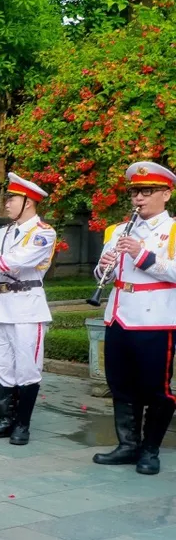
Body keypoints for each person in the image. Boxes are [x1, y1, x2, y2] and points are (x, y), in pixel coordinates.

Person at [92, 162, 176, 475]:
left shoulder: (174, 230)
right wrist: (104, 267)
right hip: (119, 316)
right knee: (121, 384)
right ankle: (127, 445)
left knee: (156, 388)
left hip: (156, 319)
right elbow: (105, 272)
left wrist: (142, 255)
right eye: (135, 192)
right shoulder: (117, 230)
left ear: (166, 194)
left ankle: (150, 450)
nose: (139, 198)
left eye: (147, 191)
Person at [0, 173, 57, 447]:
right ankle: (6, 420)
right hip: (3, 306)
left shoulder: (44, 232)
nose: (6, 204)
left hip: (28, 307)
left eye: (12, 199)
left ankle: (22, 424)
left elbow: (19, 261)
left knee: (27, 367)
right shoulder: (5, 232)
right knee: (1, 364)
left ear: (29, 202)